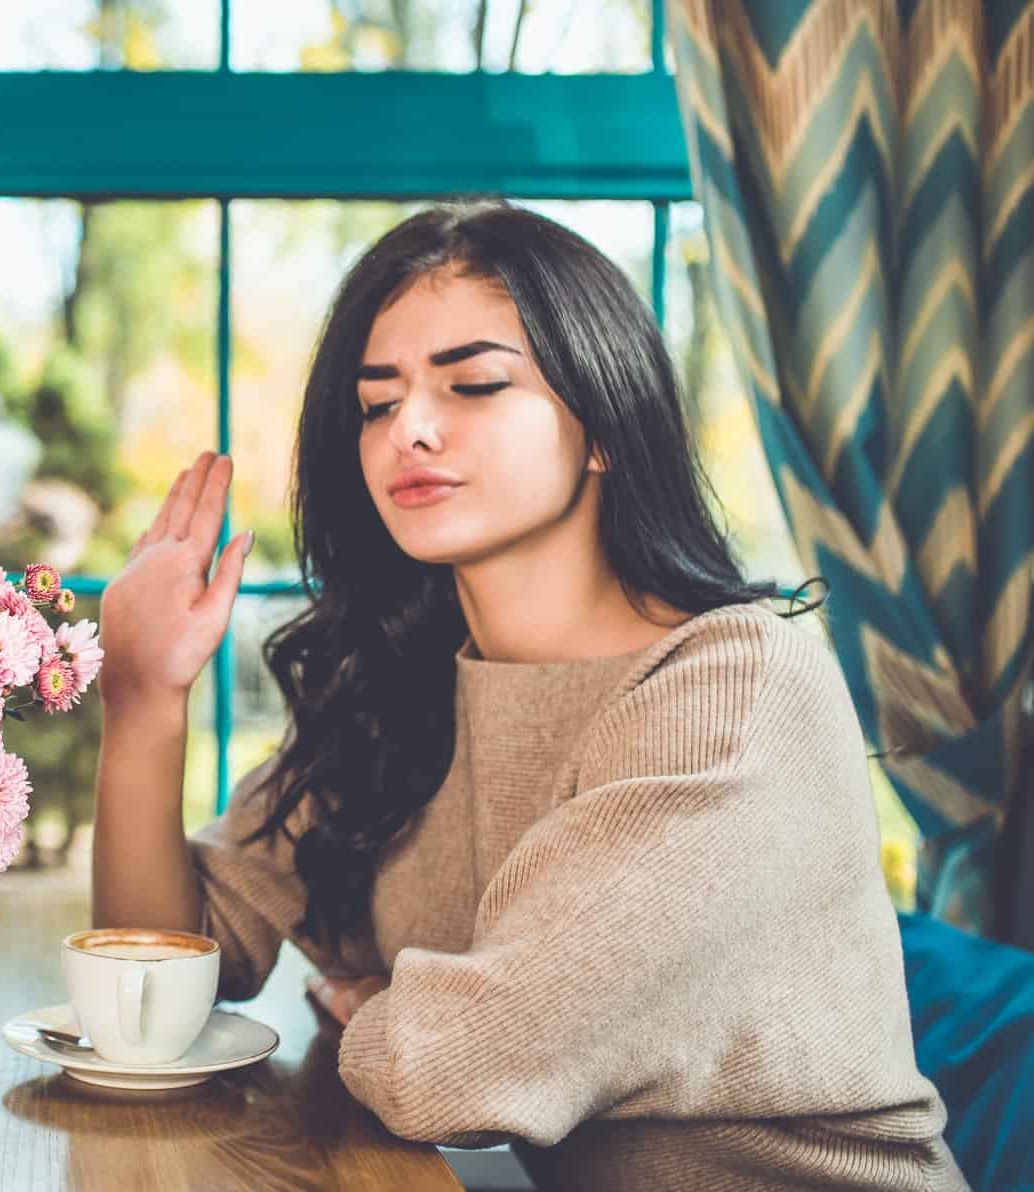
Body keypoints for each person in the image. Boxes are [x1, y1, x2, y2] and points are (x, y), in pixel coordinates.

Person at [91, 202, 964, 1189]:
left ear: (601, 427)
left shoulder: (732, 692)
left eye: (473, 384)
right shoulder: (402, 687)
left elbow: (455, 1064)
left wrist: (386, 1012)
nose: (409, 430)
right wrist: (143, 699)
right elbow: (157, 978)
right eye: (377, 404)